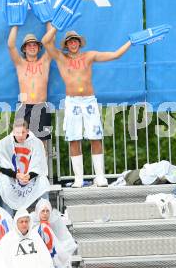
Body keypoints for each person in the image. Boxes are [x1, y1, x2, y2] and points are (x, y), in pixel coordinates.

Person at [42, 29, 132, 188]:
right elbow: (45, 41)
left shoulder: (89, 56)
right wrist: (55, 26)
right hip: (72, 102)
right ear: (66, 44)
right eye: (70, 41)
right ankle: (78, 178)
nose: (73, 43)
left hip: (89, 101)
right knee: (74, 138)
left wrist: (131, 42)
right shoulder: (61, 57)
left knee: (96, 137)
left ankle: (100, 176)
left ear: (79, 42)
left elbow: (116, 54)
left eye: (75, 40)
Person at [8, 24, 53, 146]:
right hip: (24, 108)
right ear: (24, 49)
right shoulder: (20, 63)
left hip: (41, 107)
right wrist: (15, 24)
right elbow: (11, 46)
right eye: (29, 45)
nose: (32, 47)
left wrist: (48, 21)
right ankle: (24, 166)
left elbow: (51, 41)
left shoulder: (45, 61)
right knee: (21, 145)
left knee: (41, 145)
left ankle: (41, 166)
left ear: (39, 48)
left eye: (35, 45)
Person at [0, 118, 50, 213]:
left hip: (30, 178)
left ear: (27, 131)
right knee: (3, 182)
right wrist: (16, 175)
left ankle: (44, 213)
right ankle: (8, 217)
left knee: (43, 182)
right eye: (17, 132)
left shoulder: (36, 143)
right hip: (13, 177)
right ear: (13, 131)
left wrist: (29, 176)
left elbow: (39, 165)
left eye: (23, 132)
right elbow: (2, 167)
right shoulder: (4, 143)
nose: (20, 135)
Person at [32, 199, 77, 268]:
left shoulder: (55, 225)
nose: (45, 213)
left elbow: (66, 241)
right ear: (38, 212)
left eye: (47, 211)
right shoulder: (33, 228)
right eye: (43, 211)